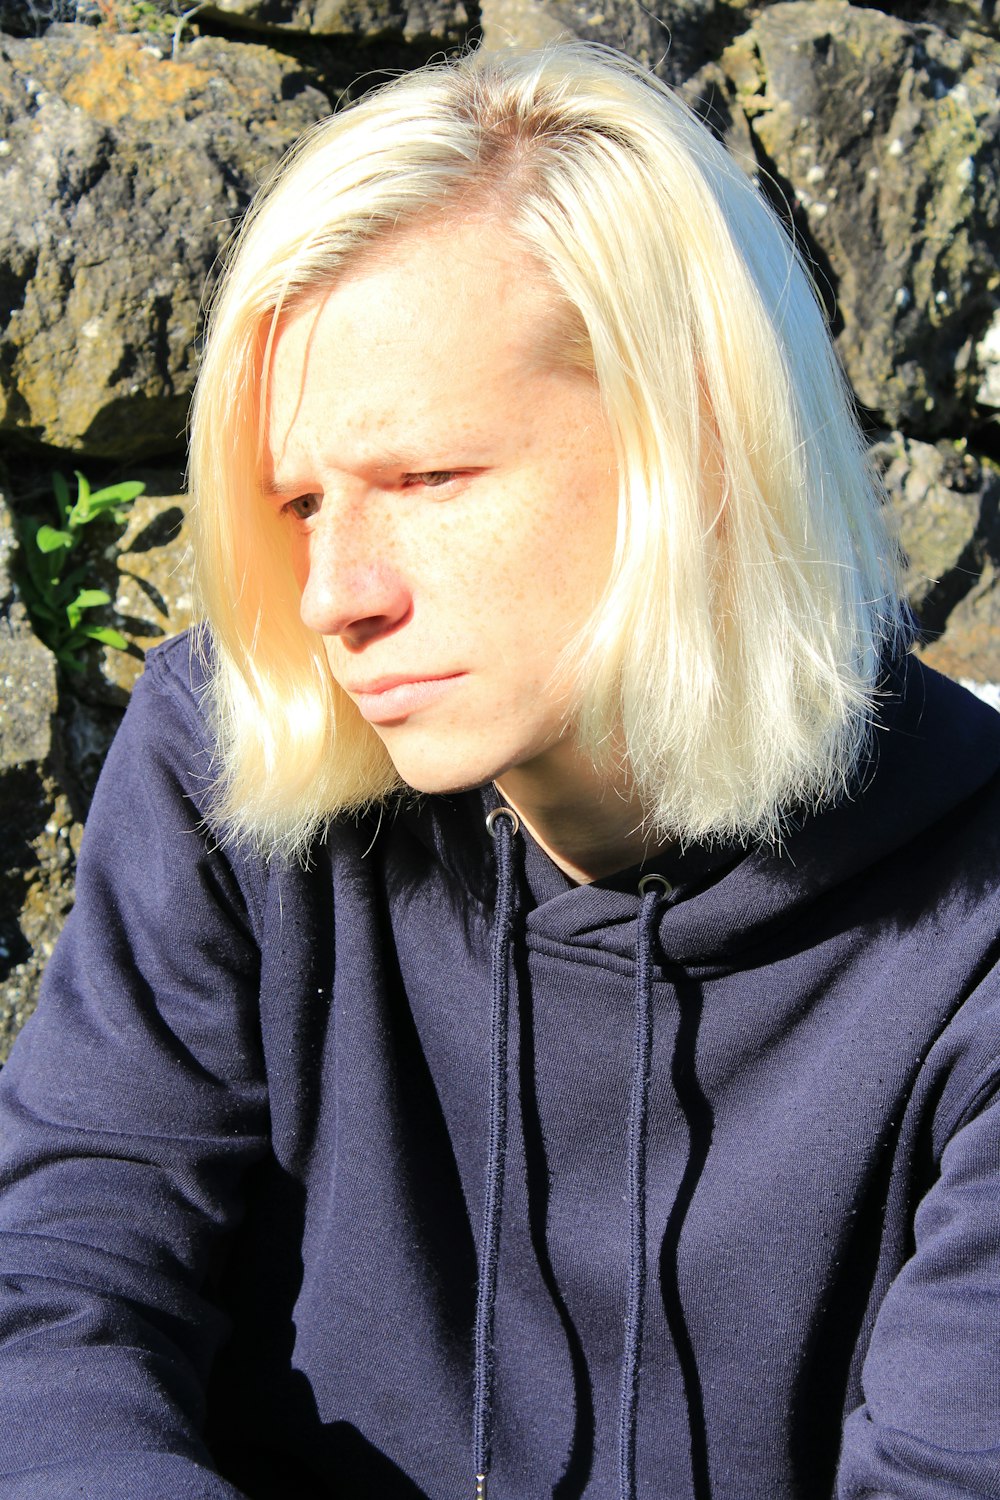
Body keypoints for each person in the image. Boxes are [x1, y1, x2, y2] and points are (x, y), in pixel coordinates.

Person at [0, 39, 998, 1500]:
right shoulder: (248, 756)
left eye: (426, 481)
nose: (335, 593)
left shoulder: (968, 938)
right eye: (295, 501)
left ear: (701, 443)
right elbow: (59, 1280)